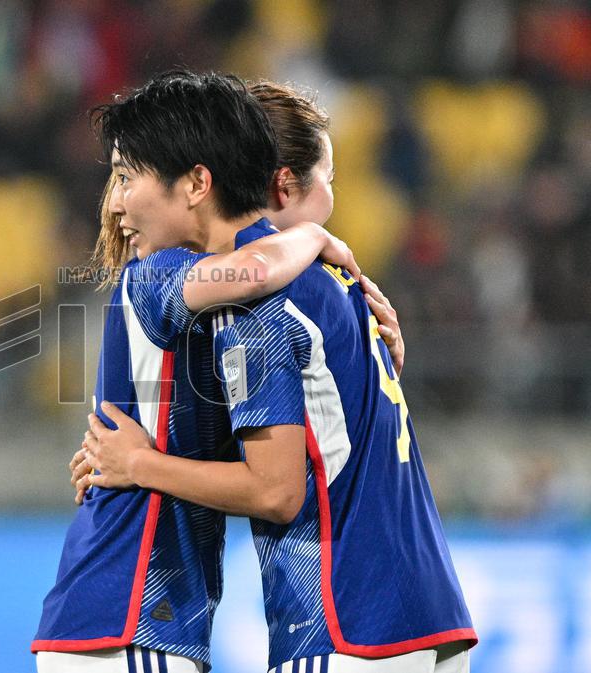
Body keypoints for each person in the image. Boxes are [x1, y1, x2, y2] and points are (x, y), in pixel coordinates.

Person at [77, 82, 477, 673]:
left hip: (345, 620)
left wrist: (136, 463)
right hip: (429, 613)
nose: (116, 203)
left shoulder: (256, 303)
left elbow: (275, 490)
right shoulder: (340, 287)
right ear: (283, 184)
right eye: (330, 181)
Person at [33, 71, 364, 673]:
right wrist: (314, 238)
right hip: (134, 609)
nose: (111, 201)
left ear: (197, 182)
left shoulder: (187, 281)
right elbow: (252, 273)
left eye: (125, 177)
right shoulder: (165, 275)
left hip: (127, 617)